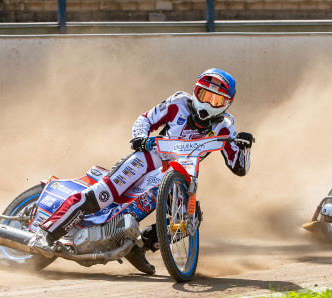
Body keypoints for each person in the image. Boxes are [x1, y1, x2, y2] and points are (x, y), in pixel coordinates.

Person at [28, 68, 254, 273]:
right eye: (204, 95)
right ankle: (45, 234)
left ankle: (140, 246)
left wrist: (243, 147)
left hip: (179, 175)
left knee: (190, 217)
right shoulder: (178, 102)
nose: (208, 103)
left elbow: (240, 168)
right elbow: (145, 119)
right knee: (100, 197)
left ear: (227, 103)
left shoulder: (226, 127)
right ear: (195, 91)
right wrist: (139, 137)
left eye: (216, 100)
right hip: (148, 158)